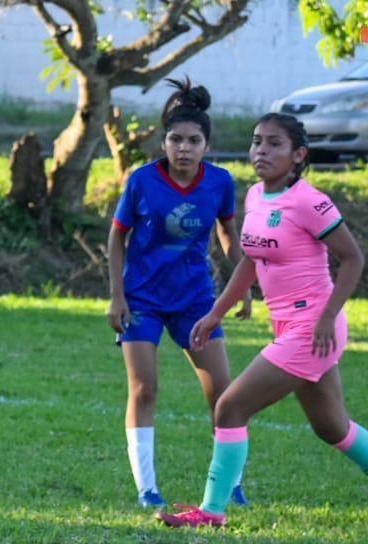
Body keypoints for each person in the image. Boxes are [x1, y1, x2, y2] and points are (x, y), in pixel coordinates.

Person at [158, 113, 368, 528]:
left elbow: (353, 258)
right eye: (256, 142)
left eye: (274, 144)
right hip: (289, 327)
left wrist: (327, 317)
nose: (261, 151)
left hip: (313, 330)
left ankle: (211, 512)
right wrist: (216, 312)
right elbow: (250, 260)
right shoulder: (254, 197)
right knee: (331, 427)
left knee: (229, 408)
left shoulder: (309, 201)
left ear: (298, 155)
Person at [108, 77, 250, 510]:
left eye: (193, 140)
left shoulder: (220, 183)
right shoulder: (143, 182)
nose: (183, 148)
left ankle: (231, 484)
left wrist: (240, 283)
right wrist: (117, 296)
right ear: (164, 142)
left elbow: (227, 231)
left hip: (195, 301)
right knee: (144, 389)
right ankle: (147, 489)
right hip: (143, 301)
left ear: (207, 144)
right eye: (175, 139)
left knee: (222, 396)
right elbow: (117, 237)